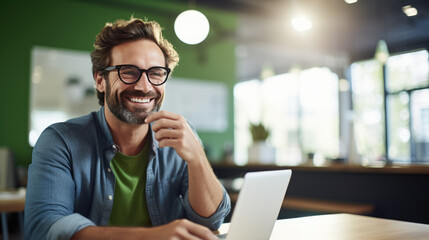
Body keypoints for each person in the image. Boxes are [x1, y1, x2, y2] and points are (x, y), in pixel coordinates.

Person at [24, 17, 231, 240]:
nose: (144, 86)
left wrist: (197, 158)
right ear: (100, 80)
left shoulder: (179, 135)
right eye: (129, 71)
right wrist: (151, 237)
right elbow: (45, 228)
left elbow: (211, 220)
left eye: (156, 73)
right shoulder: (60, 141)